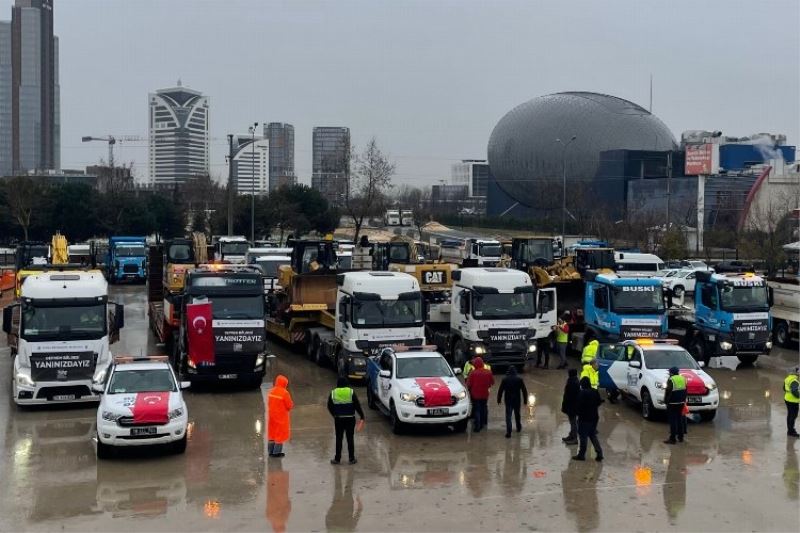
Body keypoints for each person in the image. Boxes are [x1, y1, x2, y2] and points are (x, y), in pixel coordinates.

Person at [328, 377, 365, 465]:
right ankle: (351, 459)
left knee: (339, 438)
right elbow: (357, 405)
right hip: (350, 419)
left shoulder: (333, 392)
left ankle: (337, 459)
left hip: (339, 419)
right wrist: (362, 415)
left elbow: (329, 406)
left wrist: (334, 415)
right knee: (350, 438)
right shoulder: (350, 392)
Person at [573, 376, 604, 461]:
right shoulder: (595, 391)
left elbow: (578, 405)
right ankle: (599, 453)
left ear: (583, 384)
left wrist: (577, 413)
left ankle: (581, 455)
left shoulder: (582, 393)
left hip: (584, 418)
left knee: (583, 436)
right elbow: (599, 402)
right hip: (594, 417)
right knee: (592, 435)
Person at [497, 366, 529, 438]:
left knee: (508, 416)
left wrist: (499, 399)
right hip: (517, 400)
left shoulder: (505, 380)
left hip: (508, 400)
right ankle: (518, 427)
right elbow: (524, 391)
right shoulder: (519, 379)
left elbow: (500, 390)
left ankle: (509, 432)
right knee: (517, 414)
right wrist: (525, 400)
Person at [465, 357, 494, 432]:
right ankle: (483, 423)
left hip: (475, 394)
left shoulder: (472, 373)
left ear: (475, 364)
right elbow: (492, 382)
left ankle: (477, 427)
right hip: (485, 394)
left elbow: (468, 384)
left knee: (477, 409)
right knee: (484, 407)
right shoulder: (488, 372)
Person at [267, 375, 294, 458]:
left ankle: (270, 452)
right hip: (281, 417)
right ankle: (276, 453)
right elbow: (289, 405)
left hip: (272, 416)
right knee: (279, 435)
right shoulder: (284, 393)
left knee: (272, 434)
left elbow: (269, 403)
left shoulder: (271, 391)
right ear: (284, 383)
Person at [664, 366, 687, 444]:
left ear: (671, 373)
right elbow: (686, 390)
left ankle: (672, 439)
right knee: (680, 420)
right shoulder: (683, 378)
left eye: (669, 372)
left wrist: (666, 401)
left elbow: (668, 391)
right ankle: (681, 437)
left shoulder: (671, 379)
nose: (669, 373)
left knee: (673, 421)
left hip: (672, 403)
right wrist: (684, 401)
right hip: (681, 402)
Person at [561, 368, 580, 444]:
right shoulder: (574, 381)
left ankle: (574, 438)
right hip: (572, 406)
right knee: (572, 422)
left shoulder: (573, 383)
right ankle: (571, 435)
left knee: (573, 422)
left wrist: (566, 406)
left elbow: (569, 396)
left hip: (572, 406)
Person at [784, 367, 800, 437]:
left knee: (790, 415)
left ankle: (790, 430)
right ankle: (791, 431)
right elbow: (794, 391)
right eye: (798, 372)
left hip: (787, 399)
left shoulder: (788, 378)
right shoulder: (794, 381)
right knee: (793, 416)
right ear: (796, 373)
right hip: (793, 401)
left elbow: (784, 388)